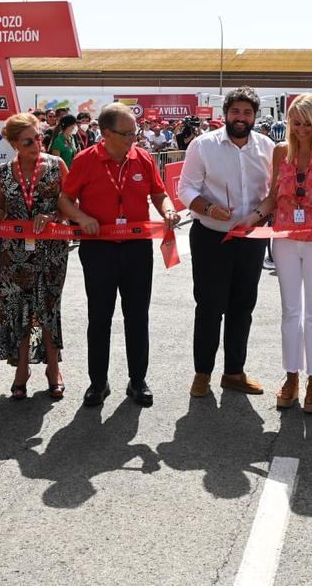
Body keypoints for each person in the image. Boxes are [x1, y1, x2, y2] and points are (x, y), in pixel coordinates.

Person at [58, 102, 180, 408]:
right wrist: (81, 217)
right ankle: (97, 383)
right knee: (99, 317)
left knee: (137, 316)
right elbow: (65, 200)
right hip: (98, 248)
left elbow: (159, 192)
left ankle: (137, 381)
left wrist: (167, 209)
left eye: (135, 132)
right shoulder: (86, 160)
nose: (133, 139)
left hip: (137, 249)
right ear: (107, 133)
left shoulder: (143, 158)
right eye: (127, 134)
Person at [178, 87, 274, 400]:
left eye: (247, 113)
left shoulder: (267, 148)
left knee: (242, 306)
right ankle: (201, 374)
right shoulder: (203, 146)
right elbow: (186, 189)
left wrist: (258, 215)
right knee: (209, 306)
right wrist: (208, 208)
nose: (241, 118)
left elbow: (275, 193)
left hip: (251, 238)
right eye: (236, 112)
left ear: (255, 117)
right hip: (211, 237)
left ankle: (234, 372)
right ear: (226, 114)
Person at [259, 94, 312, 412]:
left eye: (308, 123)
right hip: (284, 240)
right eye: (296, 122)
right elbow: (271, 197)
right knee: (290, 312)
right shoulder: (281, 152)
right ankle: (291, 376)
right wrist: (253, 217)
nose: (302, 129)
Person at [0, 113, 70, 400]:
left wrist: (52, 215)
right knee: (18, 308)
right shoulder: (3, 171)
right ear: (12, 144)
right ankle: (21, 369)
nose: (36, 145)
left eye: (38, 138)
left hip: (51, 250)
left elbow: (72, 203)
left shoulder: (57, 166)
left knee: (48, 307)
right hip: (15, 251)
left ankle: (53, 368)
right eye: (27, 141)